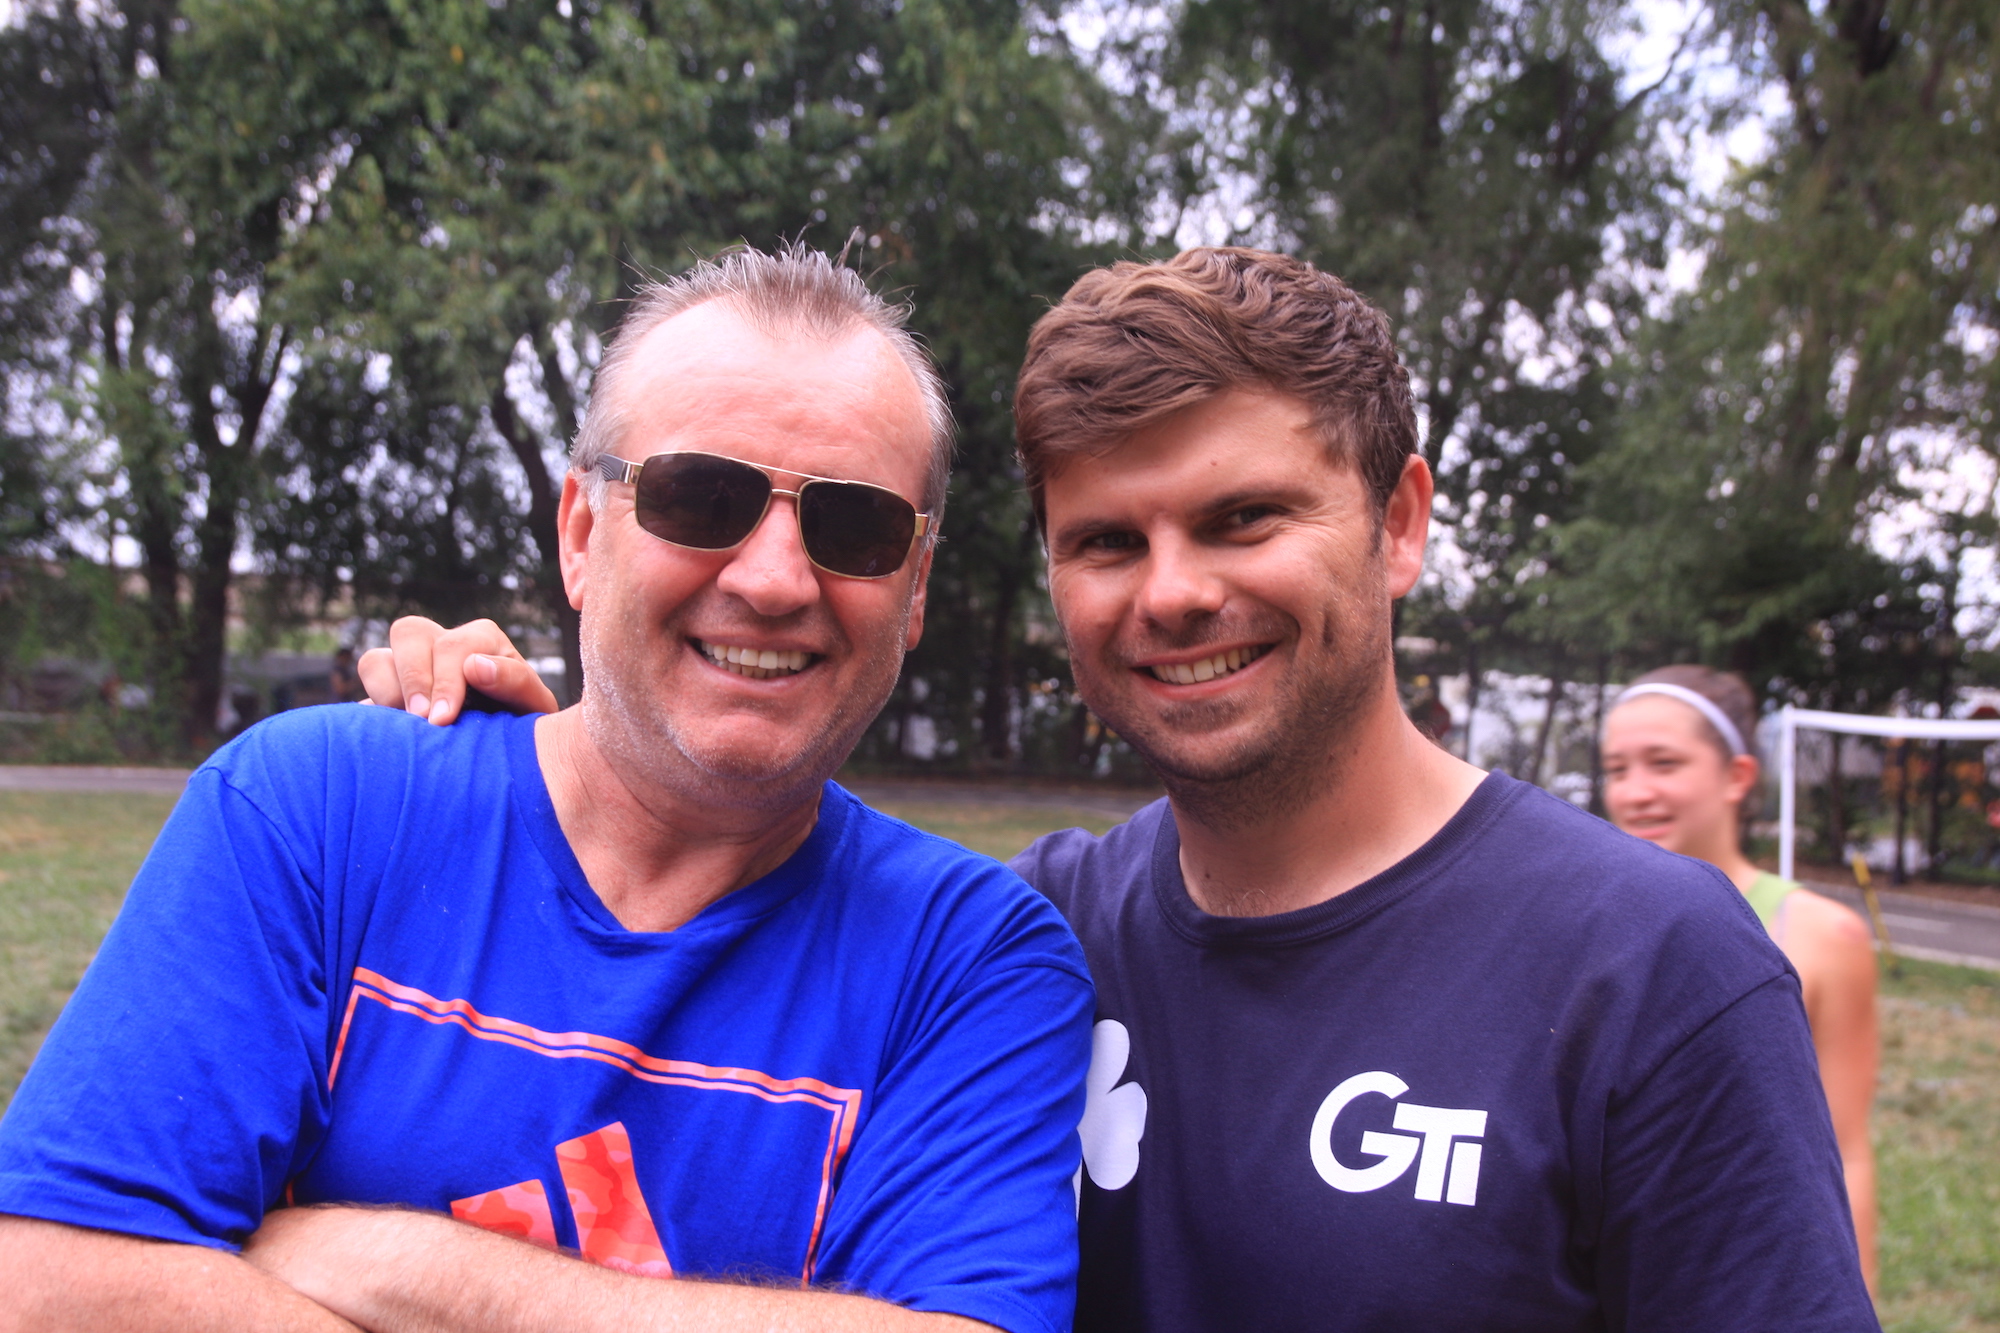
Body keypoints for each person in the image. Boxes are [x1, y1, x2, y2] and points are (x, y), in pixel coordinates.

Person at [371, 247, 1881, 1330]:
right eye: (1106, 541)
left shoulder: (1646, 969)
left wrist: (376, 1267)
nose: (1171, 594)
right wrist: (534, 749)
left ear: (1400, 522)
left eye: (1244, 517)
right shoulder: (1019, 944)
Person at [0, 245, 1094, 1333]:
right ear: (580, 534)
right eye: (699, 497)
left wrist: (404, 1266)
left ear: (914, 589)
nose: (771, 580)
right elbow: (51, 1280)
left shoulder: (973, 962)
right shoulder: (316, 810)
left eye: (854, 526)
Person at [1601, 664, 1880, 1288]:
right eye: (1617, 770)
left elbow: (1846, 1151)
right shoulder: (1582, 922)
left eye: (1664, 763)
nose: (1635, 792)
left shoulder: (1824, 937)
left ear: (1738, 776)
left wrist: (1854, 1302)